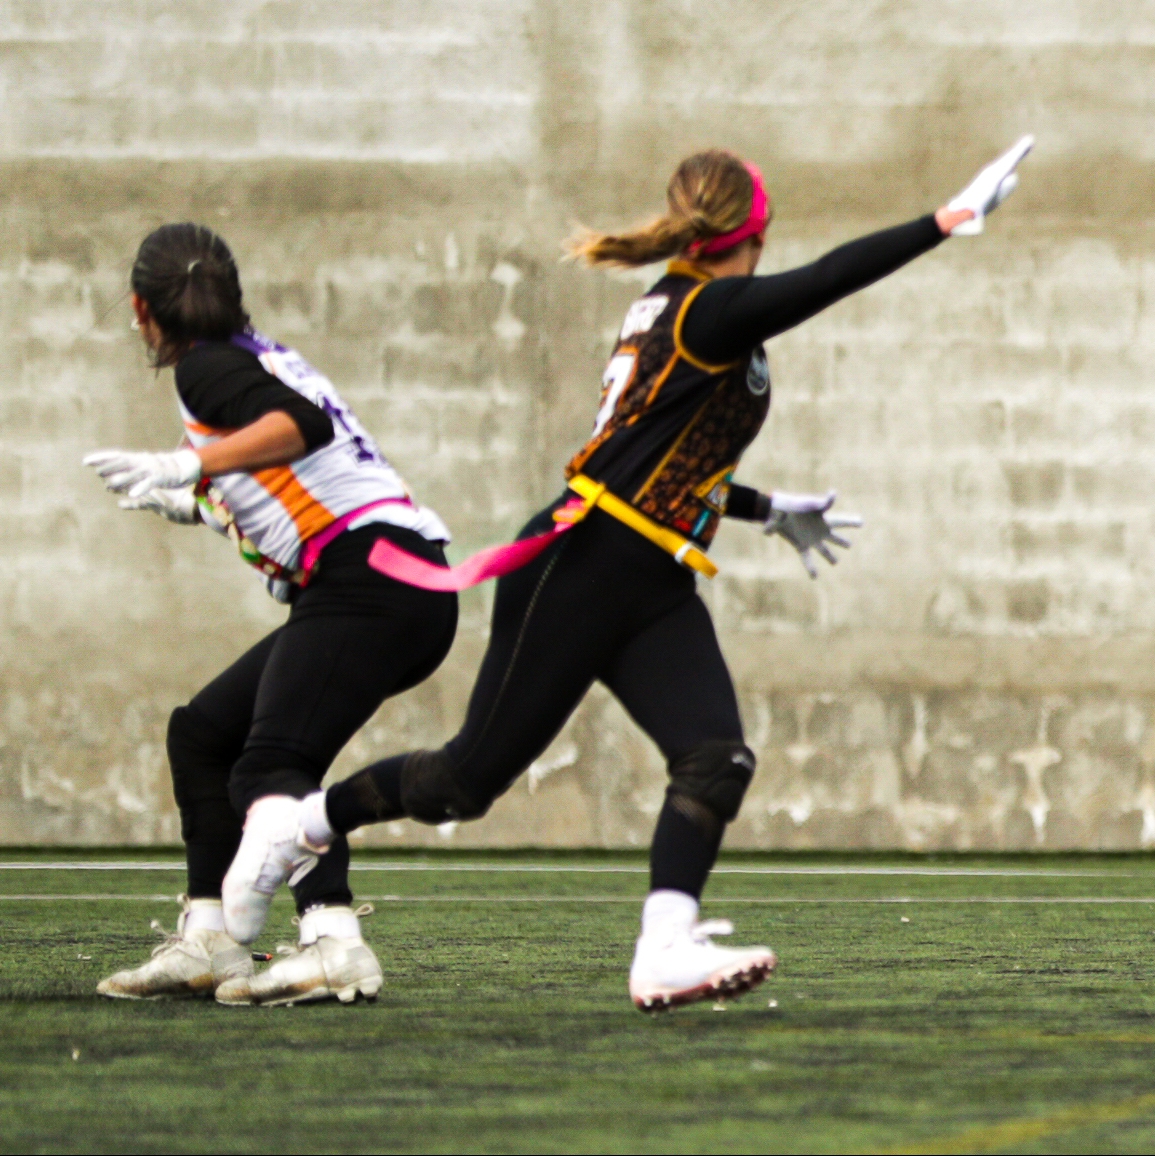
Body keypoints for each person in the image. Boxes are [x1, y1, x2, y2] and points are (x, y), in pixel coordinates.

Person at [220, 138, 1034, 1011]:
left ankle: (664, 945)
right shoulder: (702, 309)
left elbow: (661, 456)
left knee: (715, 759)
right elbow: (826, 280)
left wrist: (763, 508)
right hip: (584, 564)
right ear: (751, 232)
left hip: (650, 578)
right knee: (466, 780)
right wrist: (945, 220)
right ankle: (300, 827)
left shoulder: (685, 309)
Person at [83, 223, 458, 1004]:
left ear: (141, 309)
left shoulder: (206, 371)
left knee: (272, 765)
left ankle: (333, 941)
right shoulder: (255, 358)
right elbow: (297, 479)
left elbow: (300, 430)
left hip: (372, 580)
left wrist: (190, 463)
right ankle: (211, 939)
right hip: (397, 578)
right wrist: (199, 503)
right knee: (207, 734)